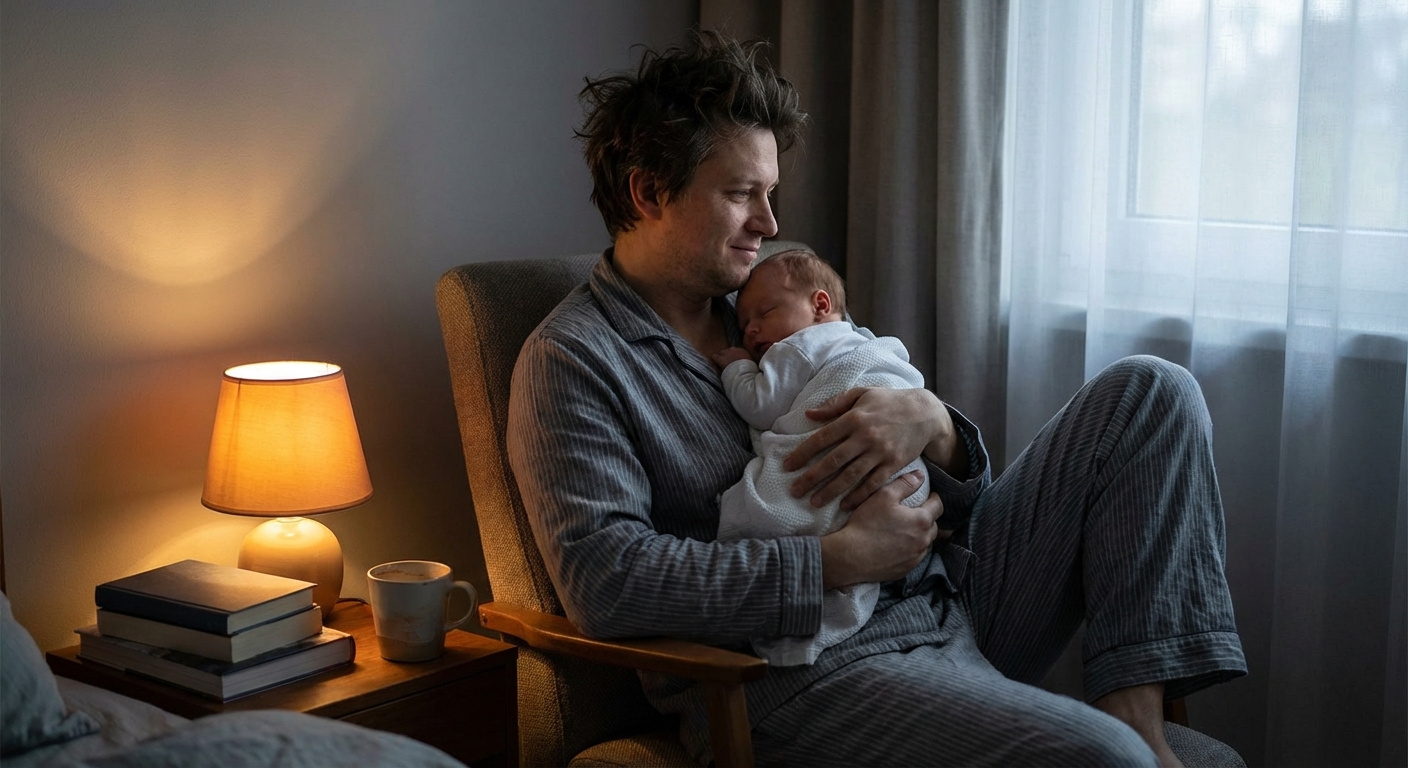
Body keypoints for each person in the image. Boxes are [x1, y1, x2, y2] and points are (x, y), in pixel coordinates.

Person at [506, 30, 1245, 767]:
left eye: (770, 194)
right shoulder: (572, 361)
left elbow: (956, 496)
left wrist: (931, 424)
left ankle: (1137, 706)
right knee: (1103, 759)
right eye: (740, 195)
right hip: (796, 671)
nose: (767, 225)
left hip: (944, 598)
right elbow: (608, 581)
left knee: (1152, 390)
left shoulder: (763, 306)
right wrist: (836, 561)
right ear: (647, 192)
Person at [710, 249, 930, 667]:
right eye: (742, 328)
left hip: (863, 460)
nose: (751, 331)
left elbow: (761, 405)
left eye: (764, 313)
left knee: (762, 508)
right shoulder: (864, 341)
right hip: (910, 487)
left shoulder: (798, 348)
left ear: (820, 305)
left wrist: (737, 368)